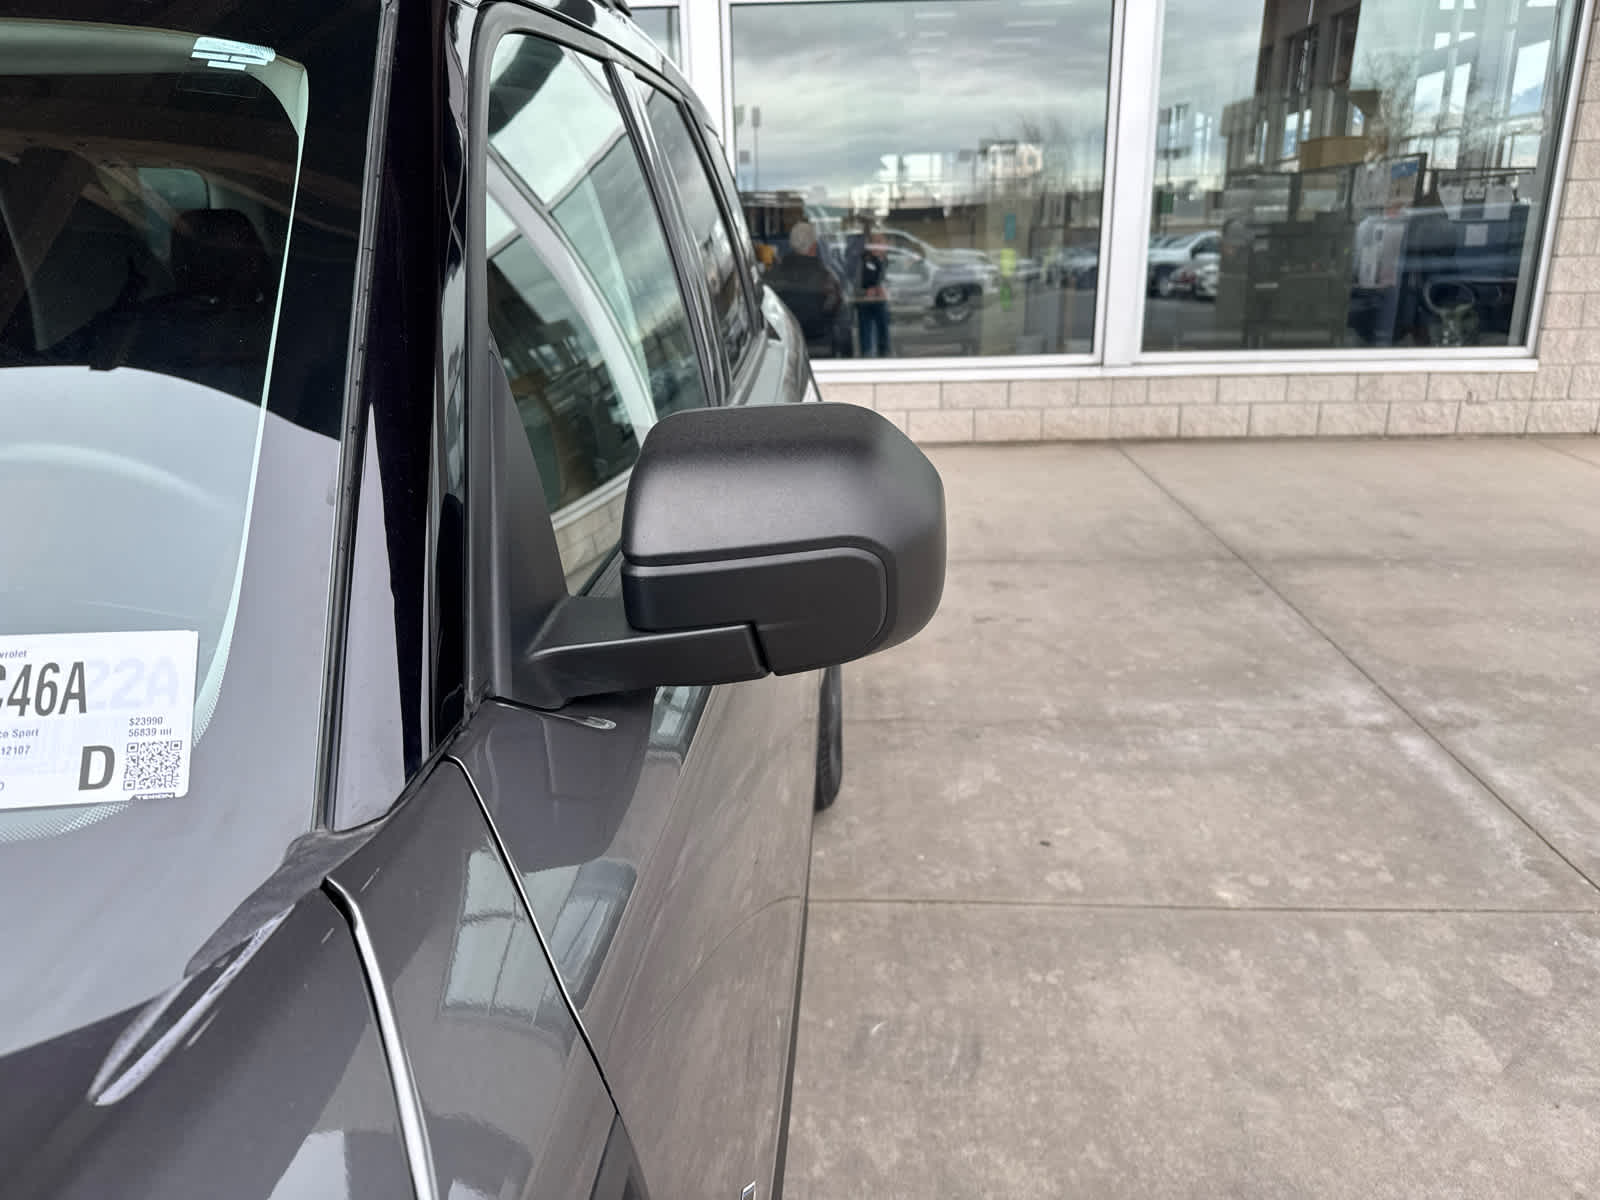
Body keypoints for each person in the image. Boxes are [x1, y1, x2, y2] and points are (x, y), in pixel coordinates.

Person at [764, 220, 846, 356]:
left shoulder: (773, 275)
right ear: (814, 246)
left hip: (785, 350)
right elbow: (835, 309)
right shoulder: (826, 278)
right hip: (820, 348)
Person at [854, 223, 890, 358]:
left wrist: (885, 290)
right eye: (874, 242)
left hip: (882, 302)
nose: (876, 246)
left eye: (880, 242)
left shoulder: (888, 261)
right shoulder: (863, 261)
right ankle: (867, 353)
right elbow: (854, 284)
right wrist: (865, 292)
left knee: (883, 327)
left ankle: (884, 352)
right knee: (866, 328)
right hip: (865, 302)